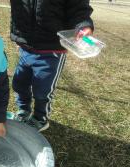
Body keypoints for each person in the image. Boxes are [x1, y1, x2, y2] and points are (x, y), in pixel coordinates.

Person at [10, 0, 94, 131]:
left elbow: (78, 7)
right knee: (19, 83)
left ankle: (40, 118)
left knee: (43, 89)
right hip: (25, 45)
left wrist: (83, 25)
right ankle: (23, 110)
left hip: (51, 49)